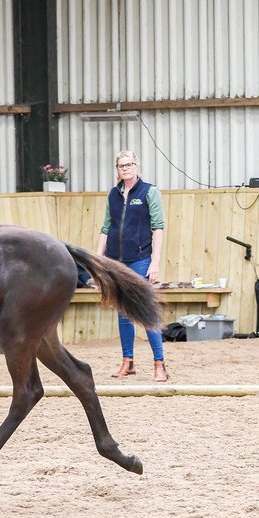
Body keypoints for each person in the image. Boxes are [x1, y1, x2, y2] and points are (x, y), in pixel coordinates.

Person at [96, 149, 168, 382]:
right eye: (121, 166)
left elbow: (157, 227)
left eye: (129, 165)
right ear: (117, 169)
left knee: (146, 311)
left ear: (136, 166)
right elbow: (106, 227)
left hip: (140, 259)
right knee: (123, 312)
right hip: (117, 260)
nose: (125, 169)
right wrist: (98, 259)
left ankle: (160, 363)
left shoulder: (149, 192)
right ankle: (128, 362)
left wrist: (154, 261)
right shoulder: (113, 195)